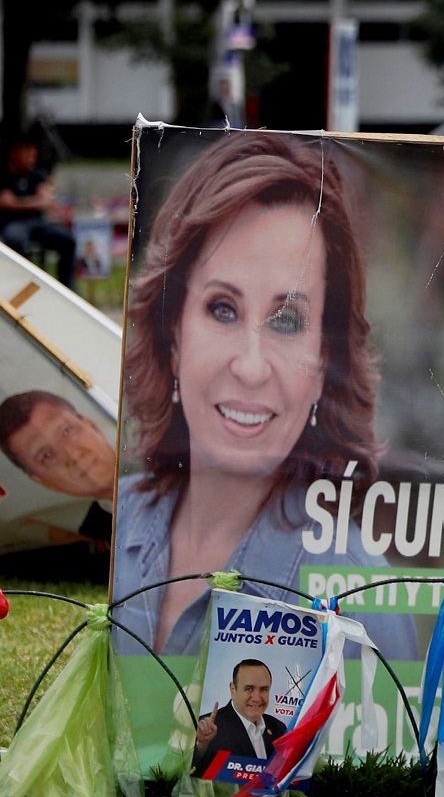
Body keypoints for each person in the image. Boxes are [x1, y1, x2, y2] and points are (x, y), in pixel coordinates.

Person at [113, 133, 413, 660]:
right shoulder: (116, 527)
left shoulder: (360, 594)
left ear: (324, 363)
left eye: (287, 320)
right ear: (174, 334)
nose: (250, 367)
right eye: (223, 309)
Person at [0, 389, 117, 543]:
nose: (73, 455)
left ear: (92, 426)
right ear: (43, 481)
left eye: (67, 431)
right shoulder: (97, 530)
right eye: (46, 455)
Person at [1, 137, 77, 288]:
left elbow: (45, 200)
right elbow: (5, 203)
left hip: (37, 222)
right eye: (27, 155)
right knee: (16, 241)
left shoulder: (37, 173)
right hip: (12, 223)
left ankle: (67, 286)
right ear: (15, 154)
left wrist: (20, 202)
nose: (31, 160)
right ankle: (21, 284)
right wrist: (34, 201)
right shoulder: (4, 174)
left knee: (68, 240)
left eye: (33, 156)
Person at [192, 658, 289, 775]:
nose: (257, 697)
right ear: (233, 689)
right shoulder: (206, 728)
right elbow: (191, 773)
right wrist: (201, 745)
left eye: (264, 689)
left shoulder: (279, 728)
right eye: (249, 689)